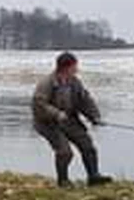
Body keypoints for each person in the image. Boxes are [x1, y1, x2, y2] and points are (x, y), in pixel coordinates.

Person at [33, 52, 112, 187]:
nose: (77, 69)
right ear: (66, 67)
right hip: (47, 123)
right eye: (75, 66)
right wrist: (56, 114)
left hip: (69, 120)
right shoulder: (46, 83)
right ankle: (63, 181)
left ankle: (93, 177)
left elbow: (85, 100)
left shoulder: (74, 82)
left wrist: (95, 117)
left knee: (88, 146)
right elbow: (39, 104)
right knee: (65, 152)